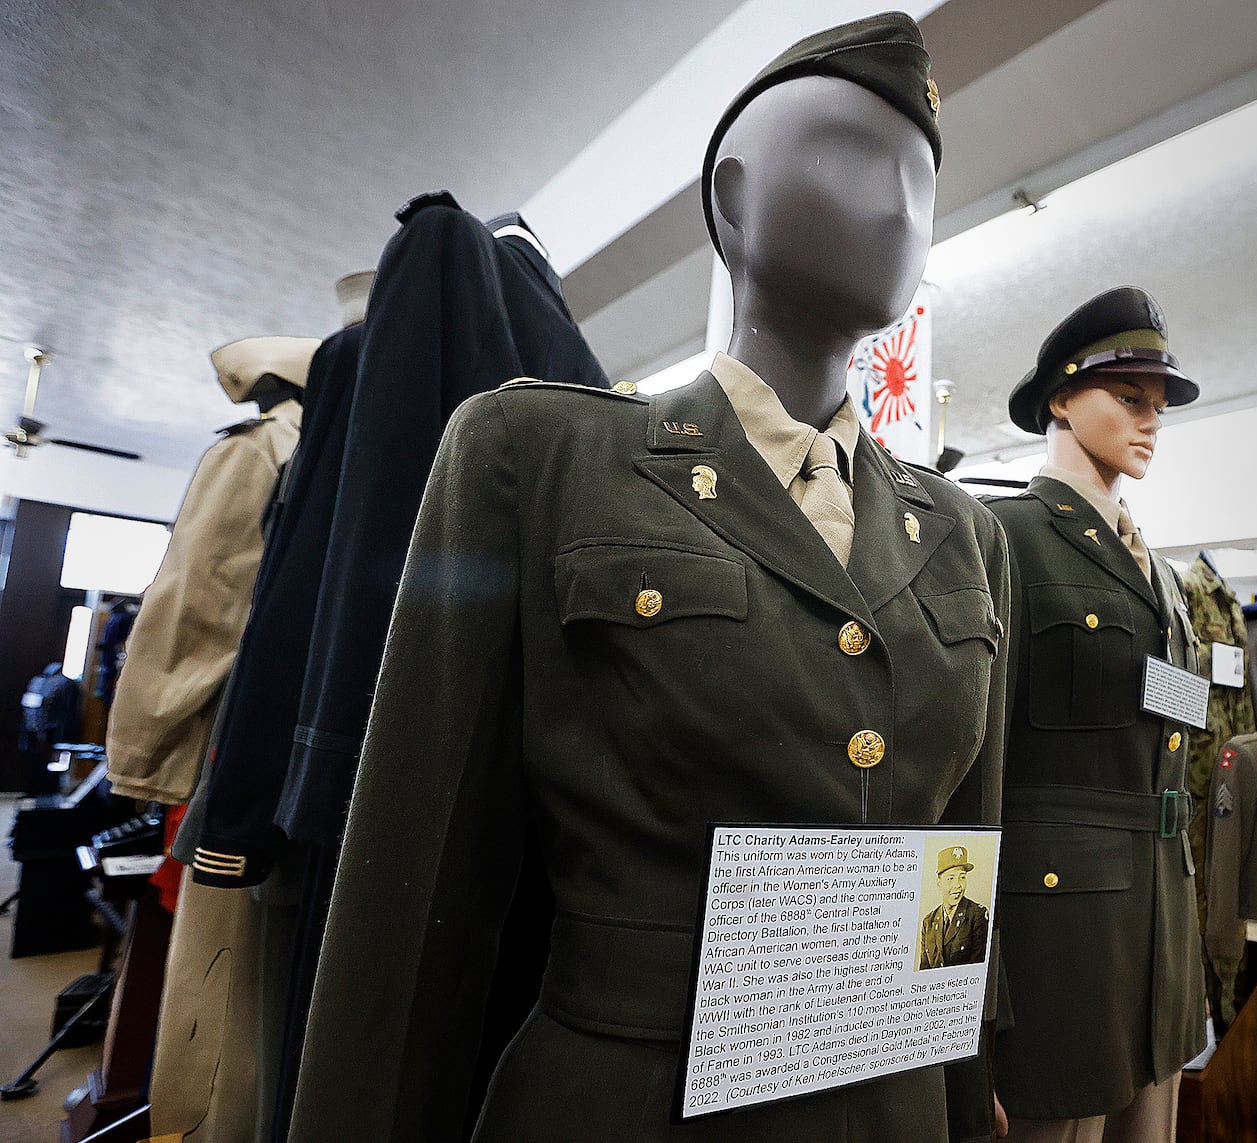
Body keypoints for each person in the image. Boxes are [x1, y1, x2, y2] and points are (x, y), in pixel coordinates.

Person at [287, 14, 1009, 1143]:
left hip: (895, 1102)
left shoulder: (961, 532)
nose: (897, 209)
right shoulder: (539, 454)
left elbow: (954, 874)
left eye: (920, 180)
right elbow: (418, 892)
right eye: (850, 159)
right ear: (730, 198)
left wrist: (961, 1112)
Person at [986, 286, 1205, 1142]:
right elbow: (966, 779)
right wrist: (962, 1002)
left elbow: (1169, 741)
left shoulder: (1166, 582)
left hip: (1162, 941)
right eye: (1129, 398)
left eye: (1160, 404)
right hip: (1056, 954)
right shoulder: (1002, 537)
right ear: (1062, 398)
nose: (1151, 421)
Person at [918, 845, 989, 969]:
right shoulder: (928, 922)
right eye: (950, 878)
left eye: (962, 877)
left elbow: (977, 970)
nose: (957, 885)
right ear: (939, 883)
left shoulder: (977, 916)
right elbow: (924, 969)